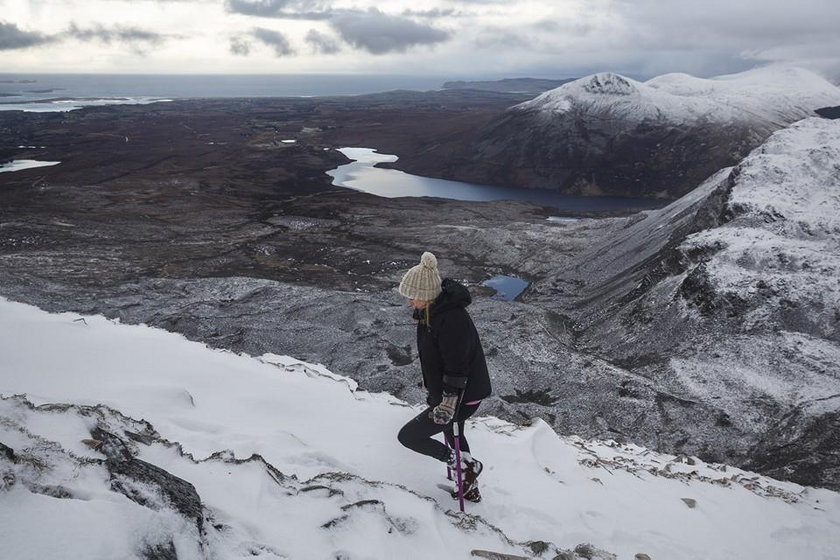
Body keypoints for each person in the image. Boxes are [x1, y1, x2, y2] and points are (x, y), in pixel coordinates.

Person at [396, 251, 492, 502]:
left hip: (462, 396)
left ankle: (466, 467)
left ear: (427, 296)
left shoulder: (451, 320)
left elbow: (457, 367)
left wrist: (448, 403)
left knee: (409, 436)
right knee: (452, 434)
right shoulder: (431, 314)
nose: (410, 302)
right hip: (452, 394)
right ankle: (469, 486)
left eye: (413, 296)